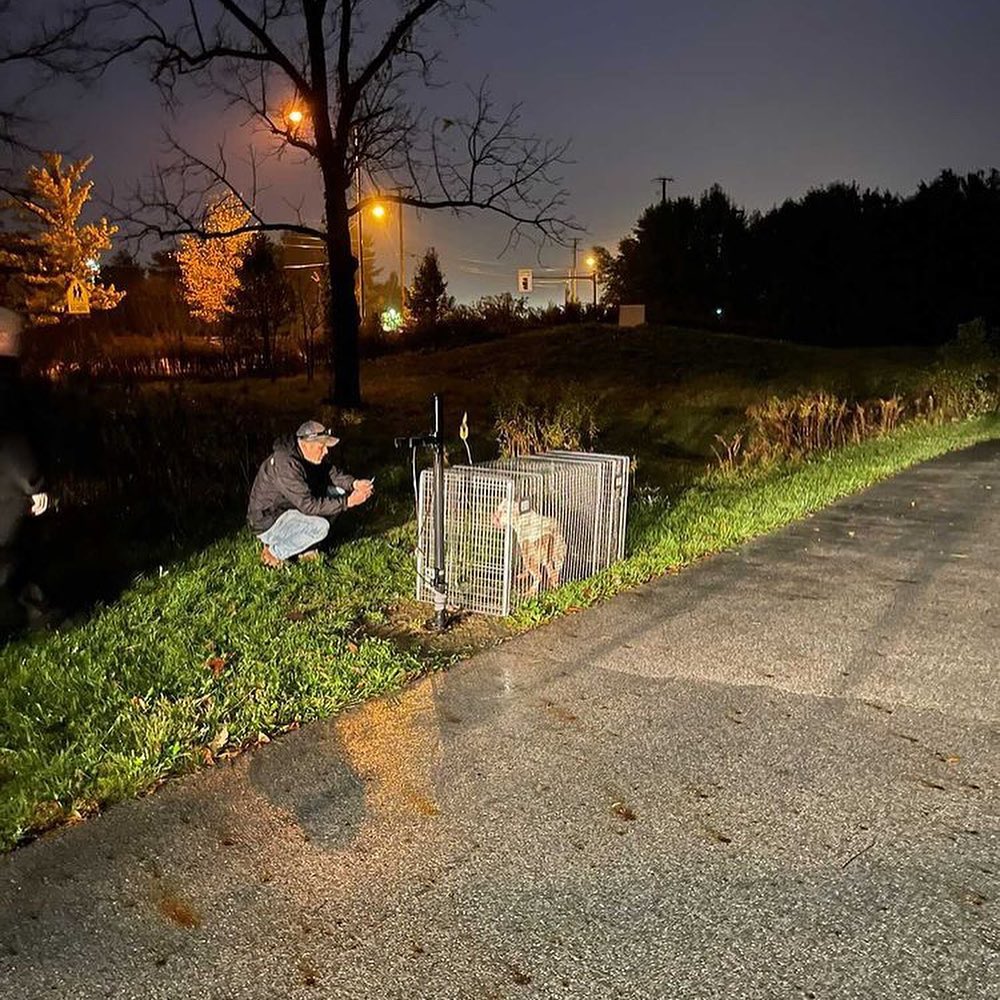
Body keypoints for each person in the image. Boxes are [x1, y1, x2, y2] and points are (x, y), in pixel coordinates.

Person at [247, 420, 374, 567]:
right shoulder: (286, 464)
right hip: (268, 521)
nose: (326, 451)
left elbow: (331, 473)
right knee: (320, 527)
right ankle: (274, 552)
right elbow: (309, 506)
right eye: (322, 447)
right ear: (306, 444)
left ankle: (306, 546)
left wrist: (354, 484)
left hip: (289, 510)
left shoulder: (306, 454)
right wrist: (349, 502)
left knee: (339, 492)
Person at [0, 307, 52, 630]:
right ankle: (33, 615)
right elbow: (11, 438)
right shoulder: (5, 381)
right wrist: (34, 485)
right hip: (8, 487)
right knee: (13, 553)